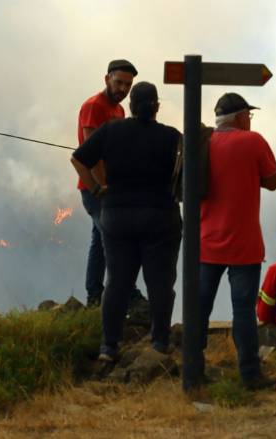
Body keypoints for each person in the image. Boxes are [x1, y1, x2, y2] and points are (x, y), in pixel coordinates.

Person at [71, 81, 182, 361]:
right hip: (160, 218)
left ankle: (109, 346)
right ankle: (160, 342)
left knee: (117, 282)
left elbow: (79, 159)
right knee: (160, 283)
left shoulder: (111, 130)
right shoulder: (171, 137)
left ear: (130, 107)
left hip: (117, 216)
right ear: (156, 107)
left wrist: (97, 189)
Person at [198, 92, 276, 390]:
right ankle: (250, 374)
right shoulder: (253, 141)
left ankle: (193, 370)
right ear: (241, 116)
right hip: (244, 244)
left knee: (200, 308)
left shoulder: (202, 142)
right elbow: (272, 181)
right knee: (243, 310)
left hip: (206, 241)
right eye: (249, 115)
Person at [76, 59, 144, 308]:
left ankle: (94, 294)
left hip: (108, 187)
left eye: (128, 85)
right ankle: (127, 291)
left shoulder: (119, 111)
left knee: (100, 240)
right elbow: (91, 153)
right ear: (107, 79)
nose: (123, 89)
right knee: (114, 237)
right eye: (118, 83)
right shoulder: (94, 106)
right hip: (95, 189)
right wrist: (105, 188)